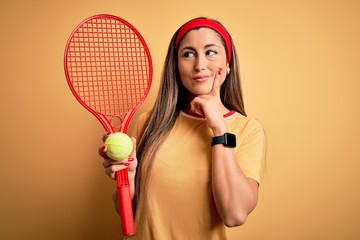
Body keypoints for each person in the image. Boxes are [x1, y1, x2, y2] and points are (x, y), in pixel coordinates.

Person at [99, 17, 267, 240]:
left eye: (211, 52)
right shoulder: (150, 122)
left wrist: (219, 129)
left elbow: (234, 215)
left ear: (228, 64)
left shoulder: (249, 130)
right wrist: (128, 179)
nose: (199, 64)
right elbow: (130, 212)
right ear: (176, 66)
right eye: (188, 54)